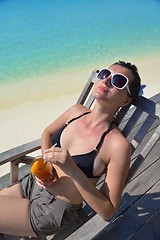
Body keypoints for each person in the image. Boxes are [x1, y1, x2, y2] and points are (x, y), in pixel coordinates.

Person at [0, 60, 141, 239]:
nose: (107, 81)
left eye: (118, 81)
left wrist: (72, 170)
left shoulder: (117, 146)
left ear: (126, 100)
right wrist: (46, 163)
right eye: (105, 74)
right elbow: (47, 133)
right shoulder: (76, 112)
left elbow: (108, 211)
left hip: (51, 209)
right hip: (31, 184)